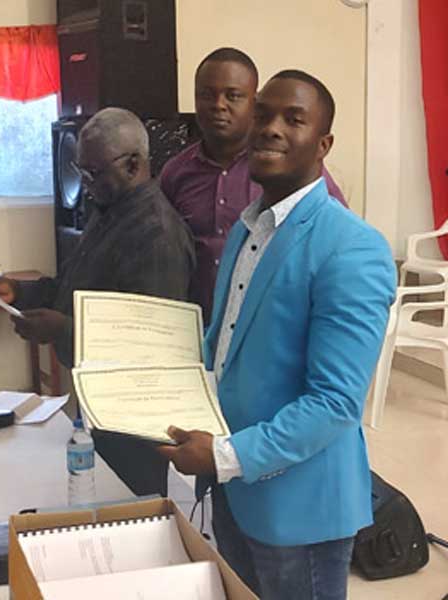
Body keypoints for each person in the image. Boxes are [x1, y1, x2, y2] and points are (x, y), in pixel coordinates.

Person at [158, 71, 396, 600]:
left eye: (294, 119)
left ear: (324, 143)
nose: (270, 129)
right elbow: (223, 346)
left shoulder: (352, 247)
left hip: (299, 507)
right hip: (234, 489)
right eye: (263, 114)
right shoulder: (247, 227)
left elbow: (335, 403)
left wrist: (223, 456)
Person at [0, 107, 196, 496]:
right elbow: (77, 288)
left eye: (94, 174)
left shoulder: (158, 235)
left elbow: (148, 342)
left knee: (130, 512)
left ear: (134, 163)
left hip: (134, 416)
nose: (85, 185)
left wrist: (62, 329)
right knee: (95, 502)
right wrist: (22, 292)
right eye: (81, 172)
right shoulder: (108, 212)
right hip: (99, 401)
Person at [160, 47, 347, 323]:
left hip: (268, 329)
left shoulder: (287, 169)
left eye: (233, 96)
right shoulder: (175, 173)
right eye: (206, 95)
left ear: (254, 103)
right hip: (194, 327)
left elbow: (337, 239)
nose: (218, 105)